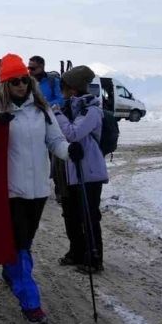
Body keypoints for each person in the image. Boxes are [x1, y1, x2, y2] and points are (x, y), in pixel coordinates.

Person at [0, 53, 75, 324]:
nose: (21, 85)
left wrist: (70, 151)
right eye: (15, 80)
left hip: (38, 190)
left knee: (24, 242)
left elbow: (55, 140)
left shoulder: (41, 109)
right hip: (10, 190)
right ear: (5, 84)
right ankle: (30, 302)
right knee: (21, 245)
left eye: (24, 79)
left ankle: (11, 271)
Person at [53, 65, 108, 273]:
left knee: (89, 216)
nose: (61, 90)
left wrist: (57, 114)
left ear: (73, 88)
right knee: (72, 215)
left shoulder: (91, 110)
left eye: (64, 86)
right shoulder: (72, 107)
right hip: (71, 172)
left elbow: (73, 134)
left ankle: (94, 258)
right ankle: (76, 252)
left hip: (89, 173)